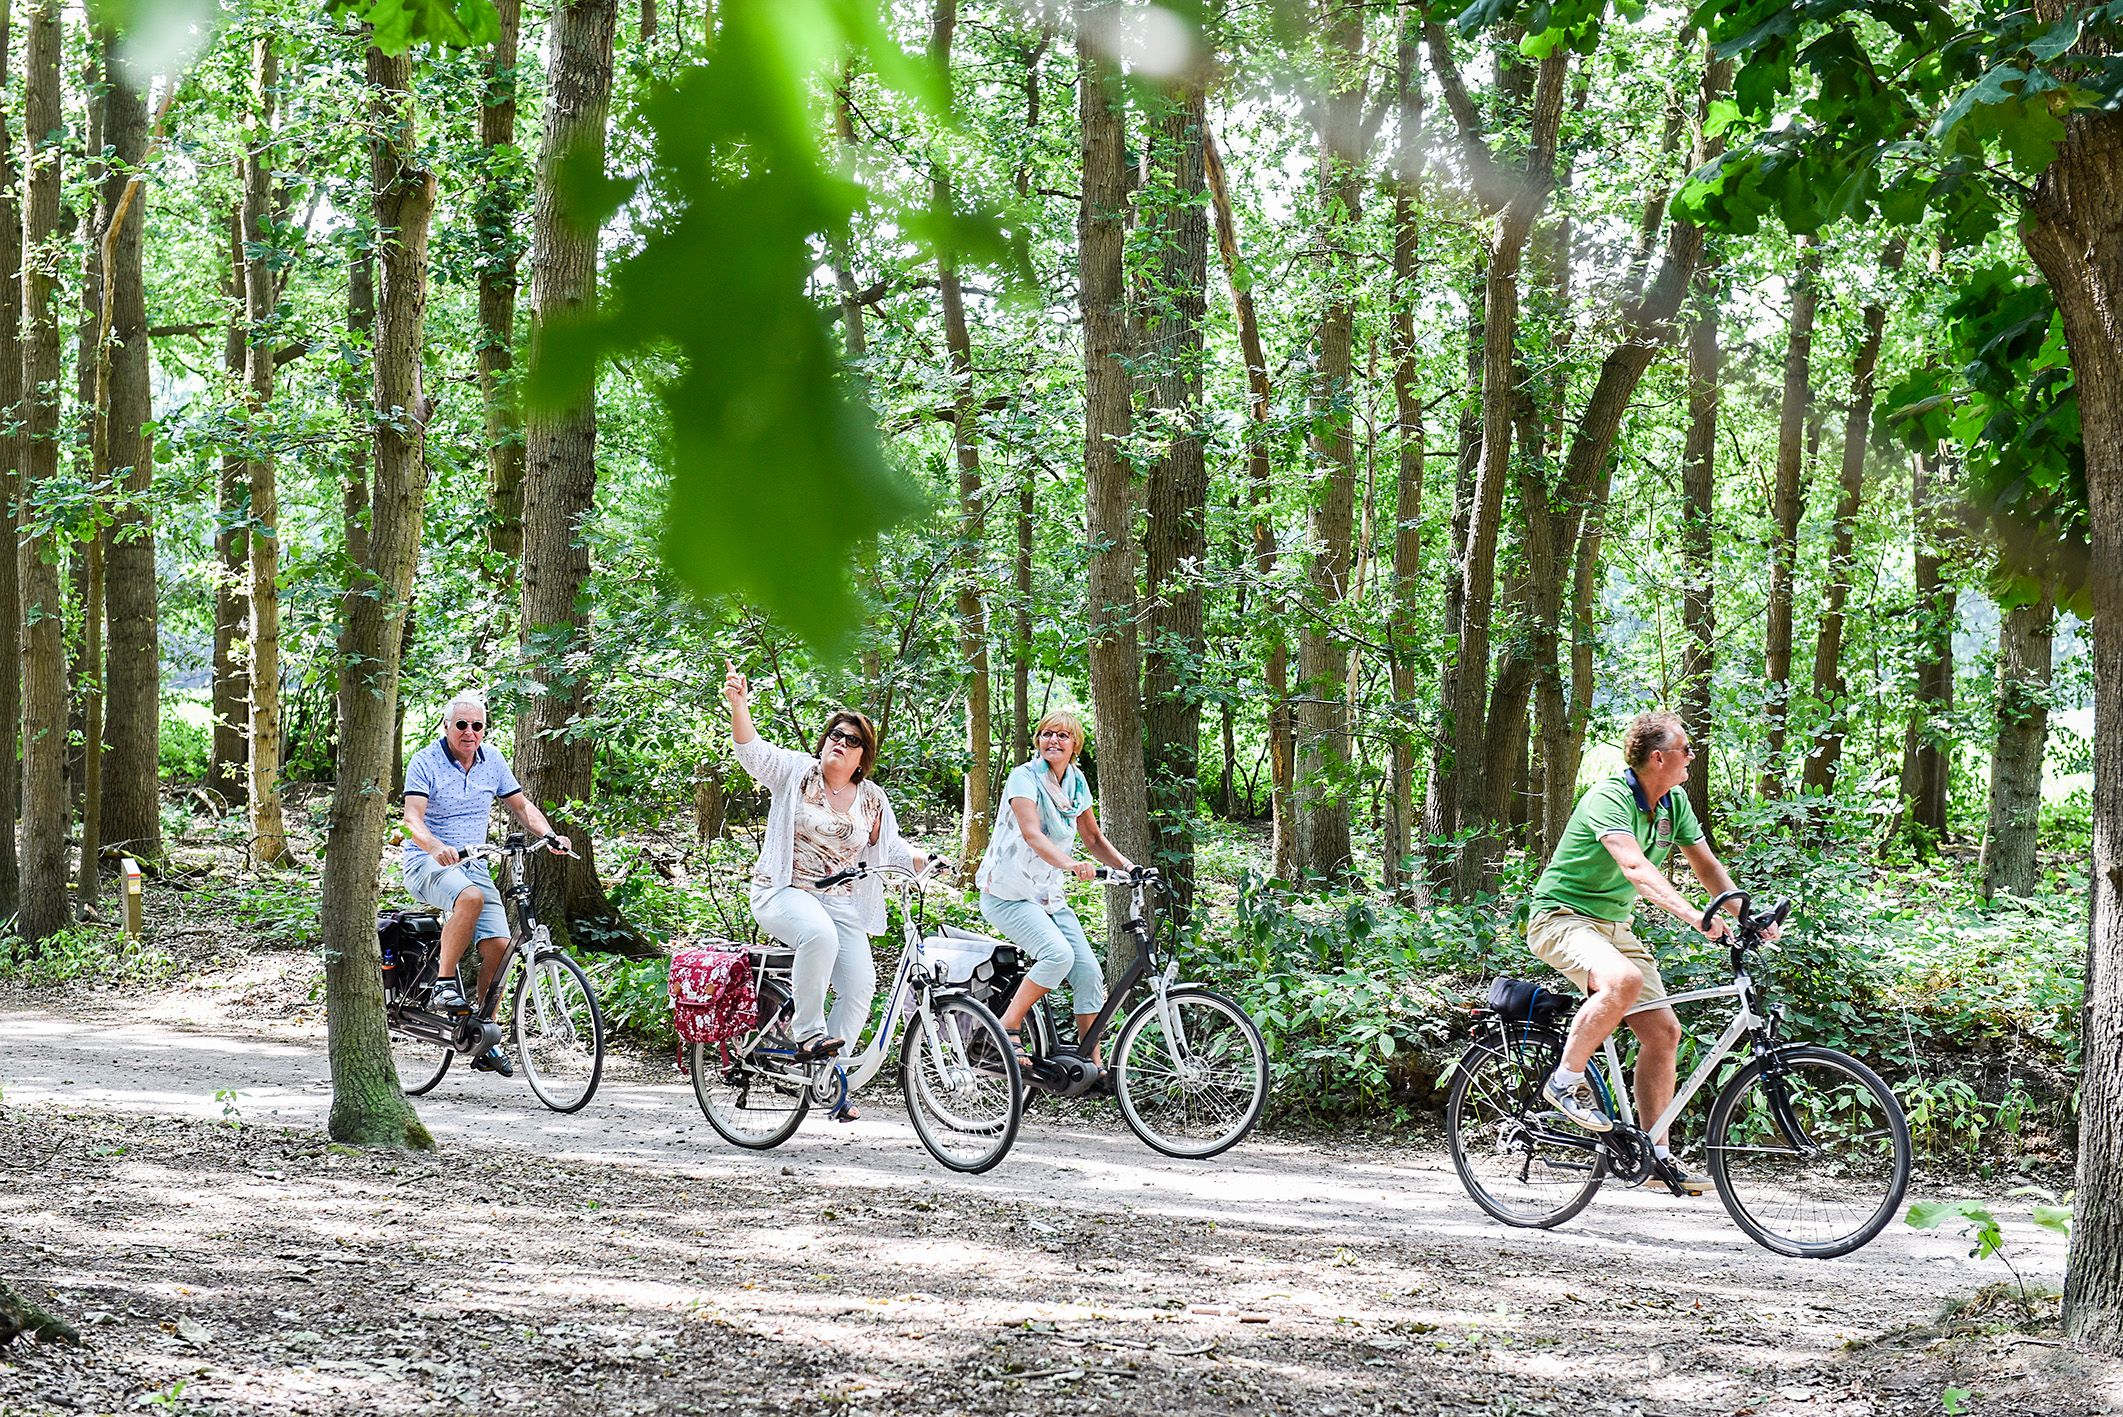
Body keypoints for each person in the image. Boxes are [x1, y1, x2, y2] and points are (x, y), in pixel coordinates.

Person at [1524, 709, 1773, 1196]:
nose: (1692, 757)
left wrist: (1748, 915)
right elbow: (1636, 868)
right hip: (1561, 917)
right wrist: (1695, 916)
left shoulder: (1673, 803)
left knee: (1663, 1033)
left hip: (1614, 925)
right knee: (1623, 981)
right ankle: (1564, 1081)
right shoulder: (1609, 798)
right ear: (1658, 757)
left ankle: (1655, 1157)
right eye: (1686, 750)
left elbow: (1707, 866)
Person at [724, 663, 924, 1118]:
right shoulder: (797, 773)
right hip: (782, 891)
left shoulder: (871, 798)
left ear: (863, 756)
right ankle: (809, 1032)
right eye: (836, 734)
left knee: (859, 987)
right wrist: (739, 704)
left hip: (840, 901)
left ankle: (827, 1079)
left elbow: (889, 847)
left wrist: (925, 859)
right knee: (818, 935)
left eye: (853, 740)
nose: (841, 743)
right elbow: (753, 752)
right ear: (824, 741)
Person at [401, 691, 572, 1076]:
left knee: (499, 950)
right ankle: (444, 982)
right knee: (471, 897)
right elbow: (412, 819)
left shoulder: (491, 759)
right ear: (446, 726)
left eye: (476, 725)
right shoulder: (425, 761)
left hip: (474, 865)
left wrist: (549, 834)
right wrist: (436, 847)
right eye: (461, 725)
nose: (469, 732)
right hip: (427, 862)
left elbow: (522, 806)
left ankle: (484, 1035)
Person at [975, 709, 1135, 1063]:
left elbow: (1093, 838)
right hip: (1008, 893)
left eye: (1063, 735)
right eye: (1047, 733)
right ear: (1038, 740)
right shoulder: (1024, 777)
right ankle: (1008, 1025)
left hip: (1047, 895)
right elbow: (1032, 834)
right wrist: (1070, 864)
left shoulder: (1076, 783)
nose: (1054, 740)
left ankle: (1090, 1064)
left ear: (1075, 744)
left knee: (1088, 973)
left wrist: (1128, 867)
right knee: (1057, 955)